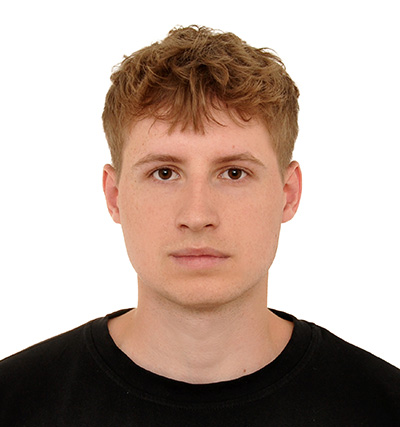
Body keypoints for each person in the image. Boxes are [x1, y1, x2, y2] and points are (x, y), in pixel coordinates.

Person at [1, 25, 399, 426]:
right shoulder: (14, 402)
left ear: (288, 193)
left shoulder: (383, 406)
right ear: (114, 194)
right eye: (164, 173)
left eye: (234, 173)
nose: (196, 216)